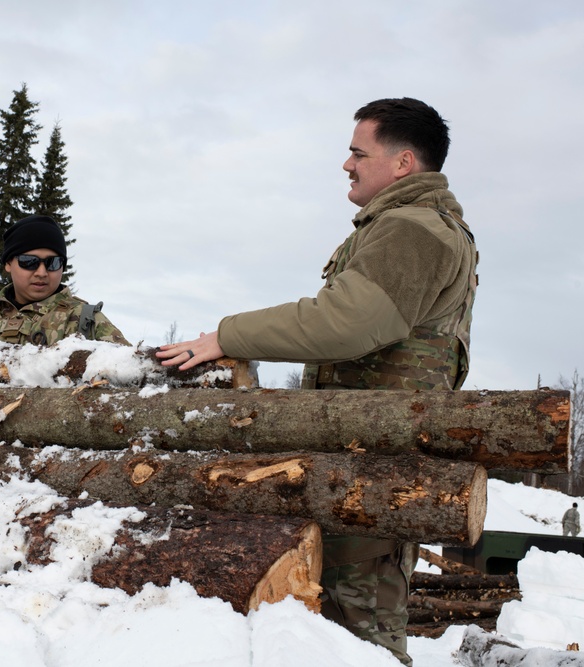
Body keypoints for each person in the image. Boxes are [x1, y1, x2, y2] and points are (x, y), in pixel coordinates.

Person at [157, 98, 477, 665]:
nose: (347, 164)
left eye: (358, 152)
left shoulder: (414, 229)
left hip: (375, 473)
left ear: (402, 163)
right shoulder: (406, 225)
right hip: (359, 467)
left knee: (361, 642)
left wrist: (228, 336)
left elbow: (348, 321)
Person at [0, 214, 129, 346]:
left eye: (53, 263)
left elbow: (128, 366)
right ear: (8, 264)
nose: (42, 272)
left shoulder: (85, 319)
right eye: (29, 262)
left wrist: (156, 360)